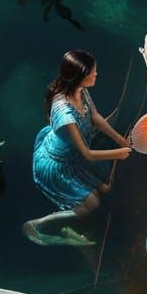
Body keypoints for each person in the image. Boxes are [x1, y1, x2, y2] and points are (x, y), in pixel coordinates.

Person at [23, 49, 132, 246]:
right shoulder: (64, 114)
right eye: (92, 72)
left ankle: (87, 189)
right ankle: (39, 224)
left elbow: (95, 117)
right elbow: (87, 154)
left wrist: (119, 138)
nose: (96, 74)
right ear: (79, 75)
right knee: (92, 204)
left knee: (105, 188)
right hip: (57, 163)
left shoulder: (80, 91)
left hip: (73, 153)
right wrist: (120, 152)